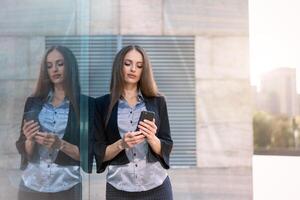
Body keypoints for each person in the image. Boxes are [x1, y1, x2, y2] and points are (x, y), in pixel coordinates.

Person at [94, 45, 173, 199]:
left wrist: (152, 137)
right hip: (119, 188)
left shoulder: (158, 102)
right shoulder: (101, 105)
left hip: (157, 186)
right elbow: (99, 153)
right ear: (119, 66)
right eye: (127, 63)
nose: (133, 69)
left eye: (139, 65)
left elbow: (167, 146)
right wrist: (121, 144)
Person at [15, 46, 94, 200]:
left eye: (60, 64)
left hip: (67, 186)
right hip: (31, 185)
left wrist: (61, 145)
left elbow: (88, 155)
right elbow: (25, 150)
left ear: (70, 66)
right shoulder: (33, 103)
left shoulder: (86, 104)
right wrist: (29, 139)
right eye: (49, 65)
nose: (54, 69)